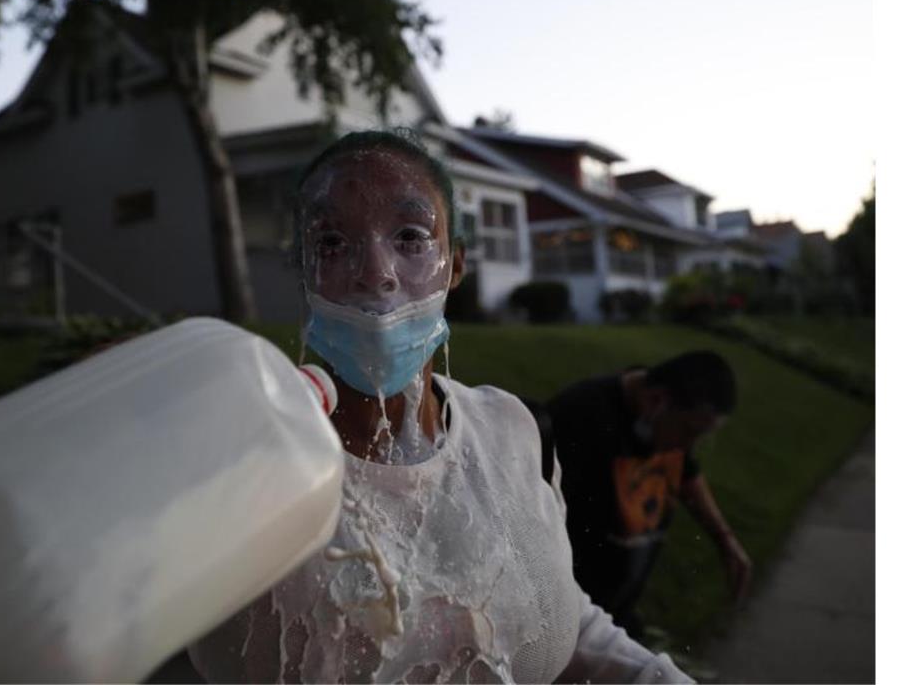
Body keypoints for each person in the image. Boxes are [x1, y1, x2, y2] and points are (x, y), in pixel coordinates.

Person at [187, 130, 692, 683]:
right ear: (306, 272)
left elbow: (556, 615)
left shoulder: (516, 432)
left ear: (454, 266)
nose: (375, 272)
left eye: (410, 236)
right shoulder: (236, 466)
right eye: (332, 242)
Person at [546, 353, 752, 640]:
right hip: (568, 622)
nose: (687, 446)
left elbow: (687, 474)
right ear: (656, 400)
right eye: (691, 432)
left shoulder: (665, 422)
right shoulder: (580, 417)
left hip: (618, 615)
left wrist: (724, 539)